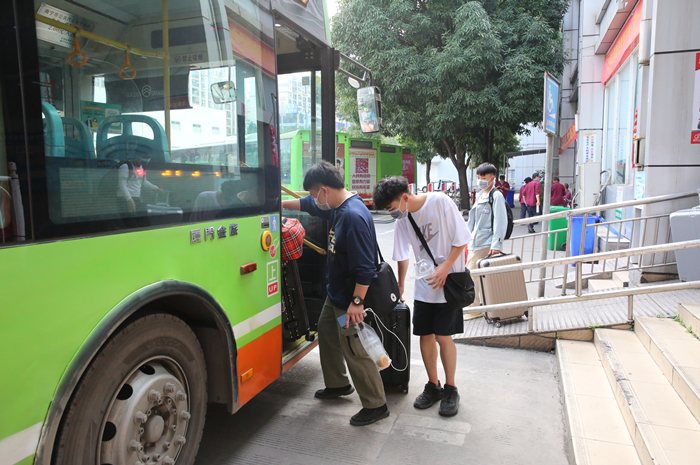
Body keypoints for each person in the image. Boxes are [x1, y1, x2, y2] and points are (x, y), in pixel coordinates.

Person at [282, 161, 389, 427]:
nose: (313, 199)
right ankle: (338, 384)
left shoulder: (352, 216)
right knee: (327, 332)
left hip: (350, 298)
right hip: (336, 294)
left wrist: (356, 303)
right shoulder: (338, 206)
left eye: (315, 194)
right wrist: (279, 203)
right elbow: (307, 204)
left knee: (354, 347)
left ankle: (376, 404)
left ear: (325, 190)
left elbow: (365, 269)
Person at [373, 176, 472, 417]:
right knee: (425, 335)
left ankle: (451, 388)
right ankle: (433, 385)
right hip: (425, 286)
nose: (392, 213)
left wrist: (445, 267)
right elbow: (402, 255)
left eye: (391, 208)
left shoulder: (440, 202)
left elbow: (462, 239)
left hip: (449, 283)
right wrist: (399, 285)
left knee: (443, 336)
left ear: (404, 198)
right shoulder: (403, 220)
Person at [466, 163, 508, 307]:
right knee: (476, 275)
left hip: (485, 242)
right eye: (478, 177)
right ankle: (479, 305)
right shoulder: (480, 195)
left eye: (483, 177)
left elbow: (500, 221)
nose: (480, 180)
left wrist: (497, 244)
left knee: (471, 275)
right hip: (475, 241)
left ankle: (474, 307)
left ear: (492, 178)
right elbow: (474, 220)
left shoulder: (496, 196)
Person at [116, 141, 163, 223]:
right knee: (130, 222)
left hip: (136, 197)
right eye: (144, 156)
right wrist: (129, 199)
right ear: (137, 155)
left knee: (142, 220)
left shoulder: (142, 168)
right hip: (124, 198)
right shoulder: (125, 167)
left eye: (148, 157)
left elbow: (144, 181)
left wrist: (156, 188)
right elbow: (122, 185)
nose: (146, 159)